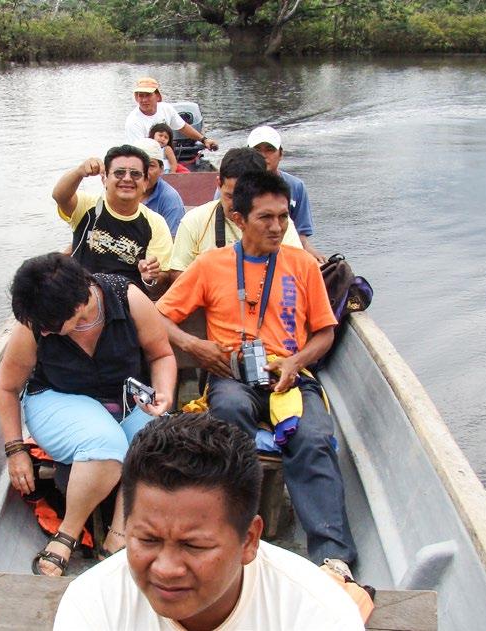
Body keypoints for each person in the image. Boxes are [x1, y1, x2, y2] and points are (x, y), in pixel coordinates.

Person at [156, 170, 358, 571]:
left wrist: (296, 361)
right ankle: (230, 534)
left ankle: (333, 558)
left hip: (290, 377)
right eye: (266, 217)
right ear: (239, 218)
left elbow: (324, 334)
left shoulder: (302, 264)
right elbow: (158, 316)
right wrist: (194, 346)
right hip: (232, 375)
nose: (277, 227)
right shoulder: (211, 264)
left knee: (314, 437)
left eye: (283, 217)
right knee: (229, 417)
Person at [54, 413, 365, 630]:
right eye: (147, 539)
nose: (166, 569)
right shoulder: (93, 604)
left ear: (249, 540)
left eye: (194, 545)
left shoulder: (318, 613)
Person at [0, 253, 176, 577]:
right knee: (105, 443)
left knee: (158, 444)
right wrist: (15, 449)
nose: (44, 333)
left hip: (123, 399)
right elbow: (8, 388)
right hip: (57, 399)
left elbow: (161, 354)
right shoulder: (35, 324)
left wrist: (163, 393)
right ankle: (68, 533)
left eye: (50, 327)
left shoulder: (127, 299)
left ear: (79, 305)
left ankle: (119, 534)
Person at [52, 144, 174, 298]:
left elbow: (160, 284)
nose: (127, 178)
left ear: (145, 182)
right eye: (119, 173)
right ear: (104, 179)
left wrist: (150, 278)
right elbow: (60, 196)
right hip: (82, 296)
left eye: (135, 174)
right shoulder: (87, 206)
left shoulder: (155, 223)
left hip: (126, 301)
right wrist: (79, 172)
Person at [169, 148, 302, 283]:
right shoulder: (194, 220)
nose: (238, 205)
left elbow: (295, 271)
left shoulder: (279, 225)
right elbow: (178, 272)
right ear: (219, 184)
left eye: (246, 198)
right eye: (230, 196)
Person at [248, 125, 326, 263]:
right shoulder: (232, 187)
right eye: (257, 150)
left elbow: (301, 235)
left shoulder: (296, 186)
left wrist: (312, 255)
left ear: (281, 154)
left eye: (270, 150)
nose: (264, 156)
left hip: (285, 253)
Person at [125, 77, 219, 151]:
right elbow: (139, 153)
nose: (144, 100)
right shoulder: (133, 121)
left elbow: (183, 127)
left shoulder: (166, 108)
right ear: (136, 98)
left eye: (148, 95)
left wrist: (204, 140)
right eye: (141, 96)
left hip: (165, 156)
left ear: (157, 96)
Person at [130, 138, 185, 237]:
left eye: (151, 165)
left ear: (161, 169)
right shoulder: (121, 191)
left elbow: (173, 241)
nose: (144, 172)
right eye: (137, 165)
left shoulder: (170, 199)